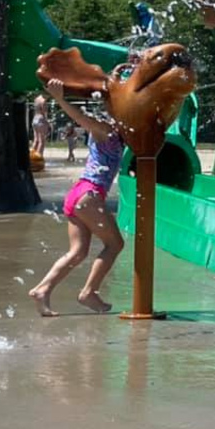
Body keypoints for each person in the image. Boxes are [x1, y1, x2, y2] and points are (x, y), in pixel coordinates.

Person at [28, 80, 125, 317]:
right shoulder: (106, 128)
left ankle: (43, 289)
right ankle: (89, 293)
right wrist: (60, 98)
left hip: (78, 193)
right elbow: (82, 119)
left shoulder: (116, 129)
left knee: (78, 252)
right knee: (115, 244)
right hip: (89, 195)